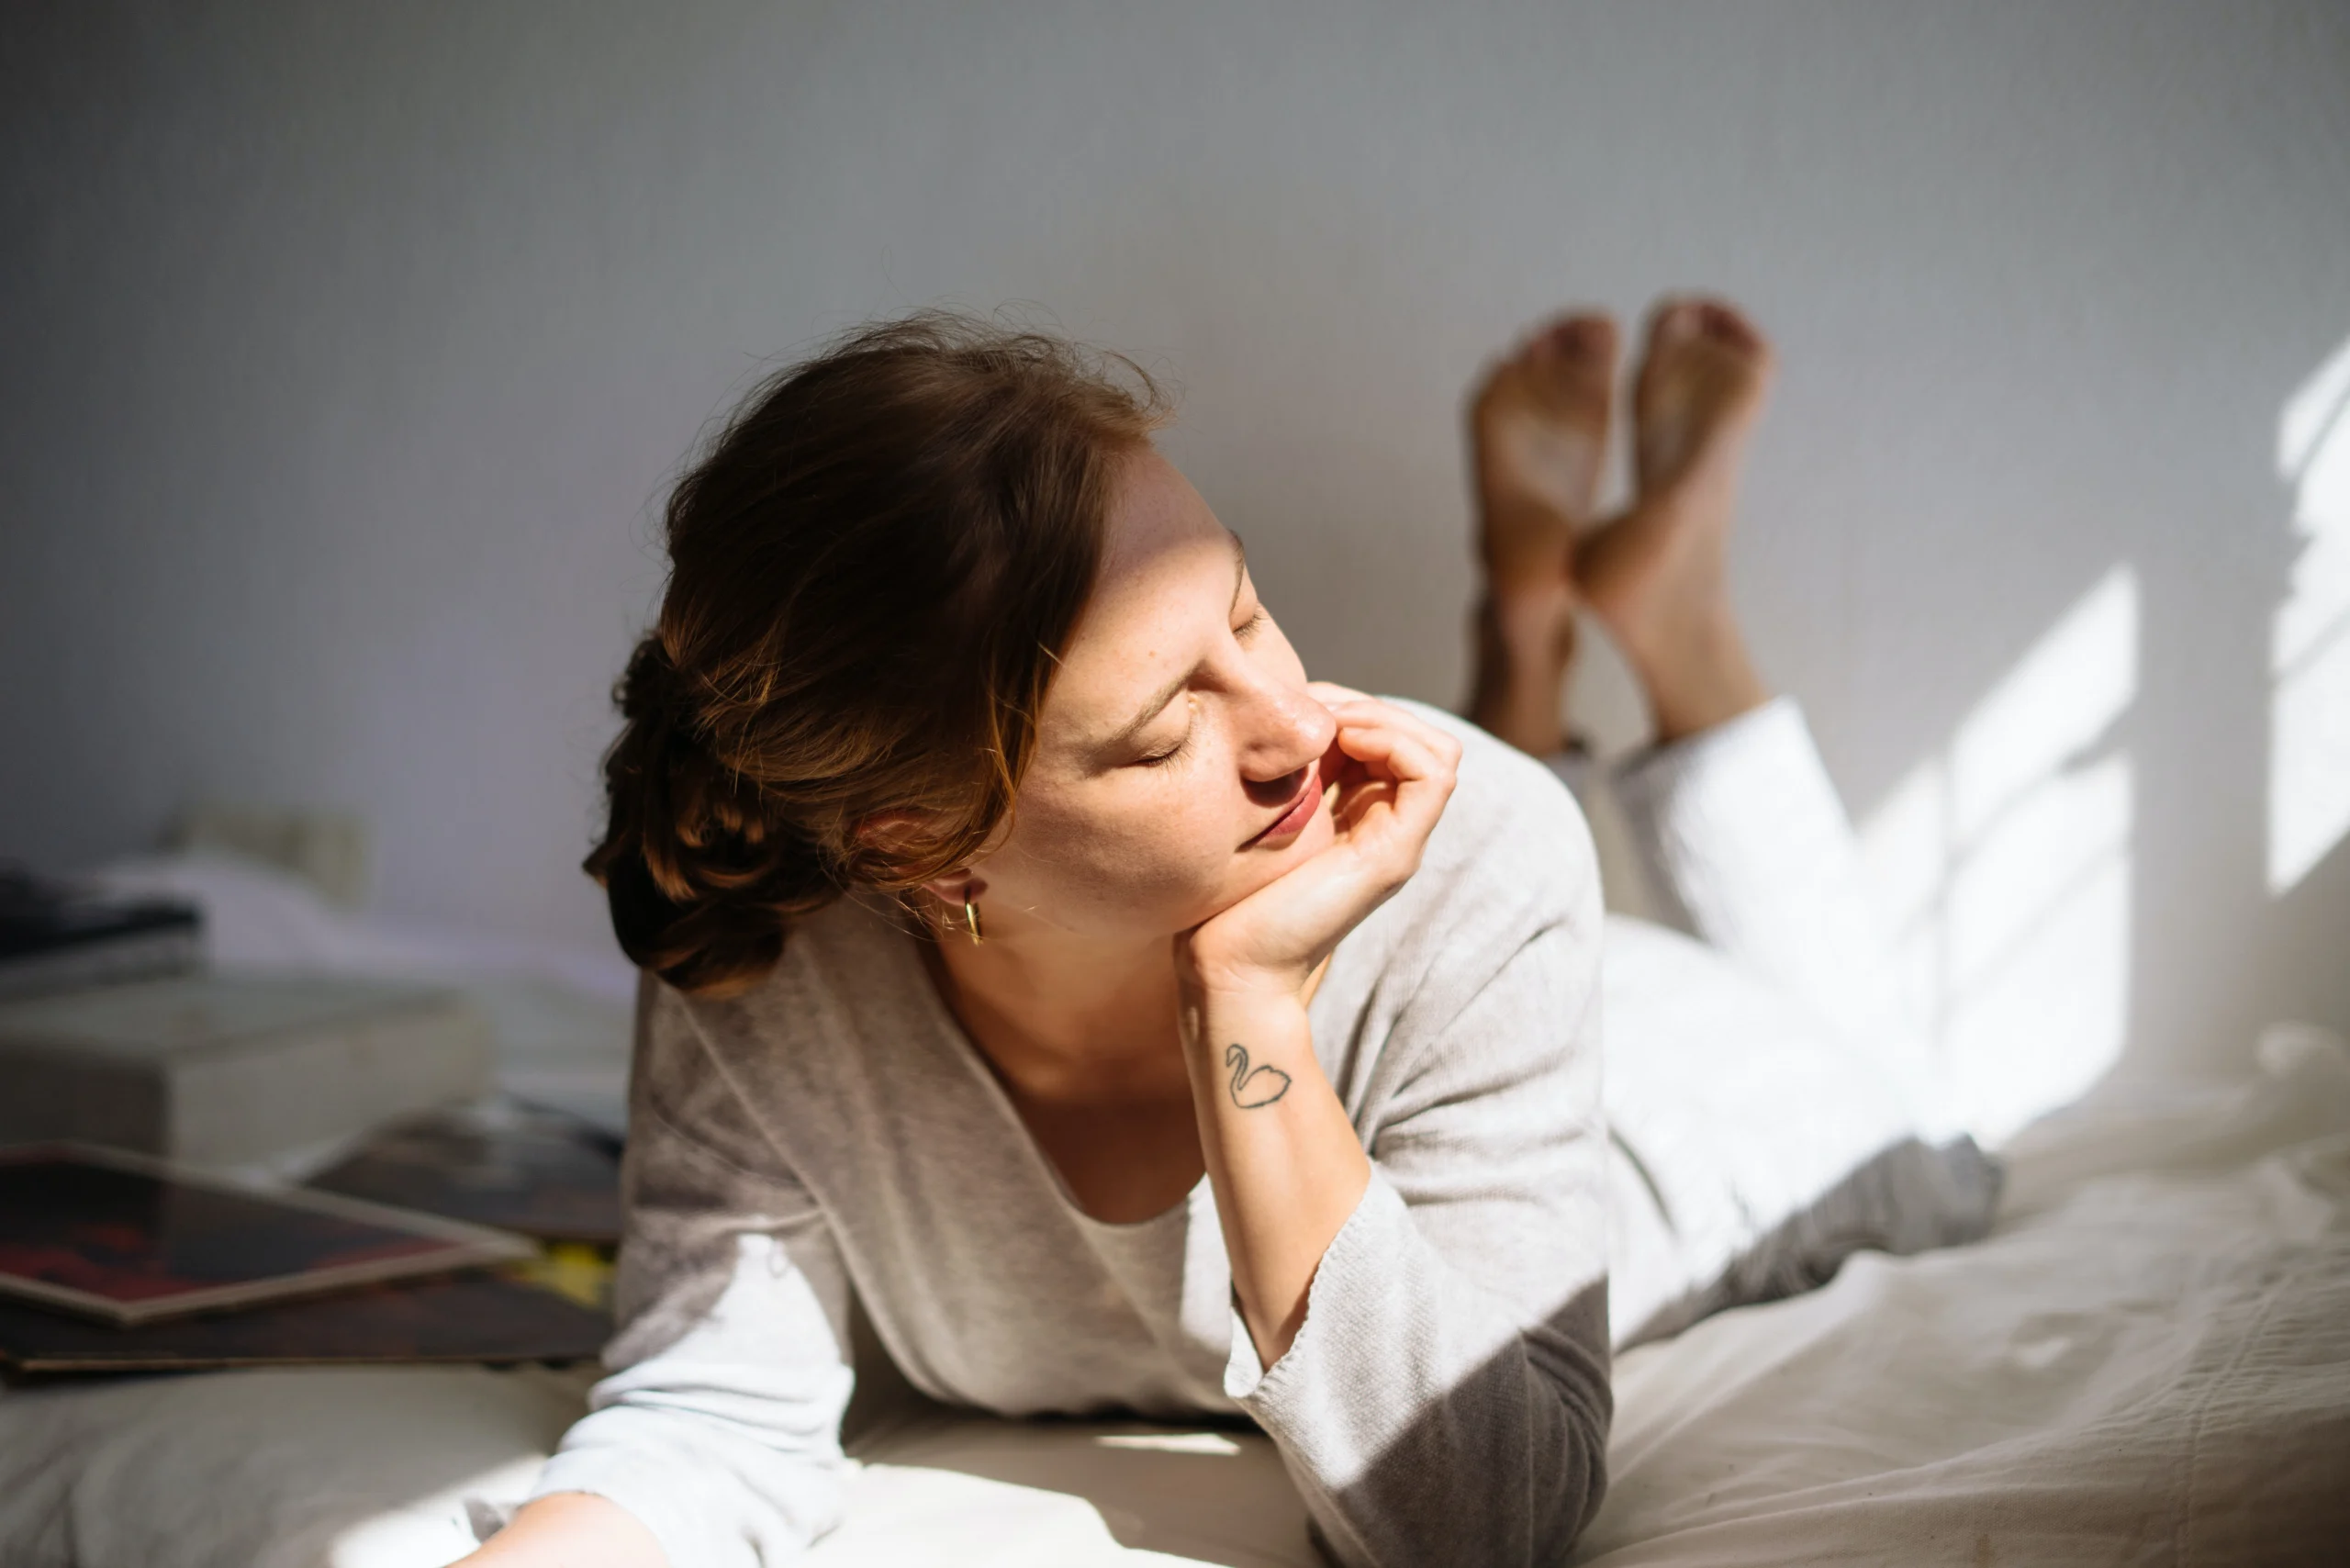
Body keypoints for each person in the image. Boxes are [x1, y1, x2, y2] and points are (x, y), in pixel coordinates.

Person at [461, 298, 1976, 1568]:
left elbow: (1490, 1523)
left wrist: (1246, 1006)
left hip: (1673, 1115)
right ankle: (1525, 630)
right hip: (1458, 981)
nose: (1297, 723)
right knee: (1466, 835)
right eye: (1156, 735)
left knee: (1929, 1136)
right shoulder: (768, 946)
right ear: (911, 847)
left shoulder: (1483, 854)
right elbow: (710, 1418)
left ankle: (1668, 630)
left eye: (1247, 615)